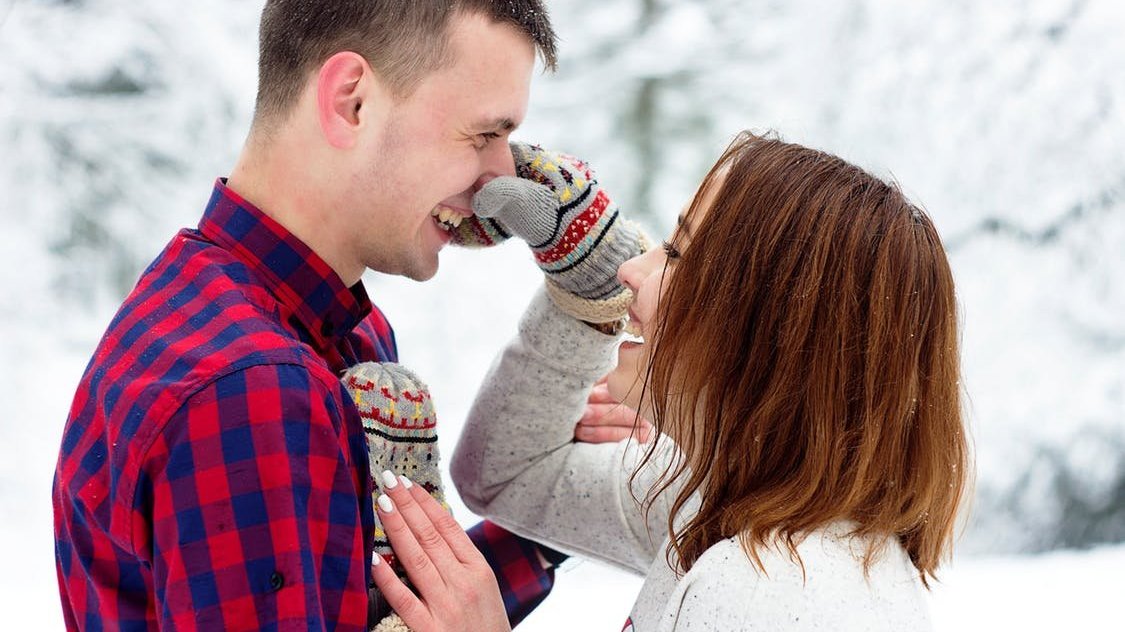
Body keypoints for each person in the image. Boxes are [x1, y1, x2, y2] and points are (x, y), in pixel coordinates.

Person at [50, 2, 625, 629]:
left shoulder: (322, 331)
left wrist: (542, 519)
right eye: (485, 134)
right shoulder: (254, 392)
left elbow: (356, 607)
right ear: (352, 101)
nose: (501, 177)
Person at [368, 132, 971, 631]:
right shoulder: (719, 499)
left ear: (762, 326)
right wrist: (585, 281)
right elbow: (507, 474)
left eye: (676, 254)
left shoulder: (766, 593)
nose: (632, 268)